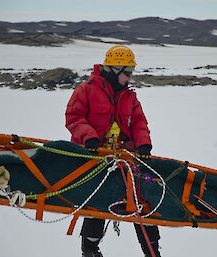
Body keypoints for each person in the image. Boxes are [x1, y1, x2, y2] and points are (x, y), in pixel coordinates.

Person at [65, 45, 161, 257]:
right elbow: (74, 118)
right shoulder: (86, 89)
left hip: (126, 158)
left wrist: (143, 143)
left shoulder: (130, 97)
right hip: (94, 157)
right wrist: (89, 136)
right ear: (116, 70)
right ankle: (89, 250)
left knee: (141, 203)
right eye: (128, 73)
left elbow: (139, 124)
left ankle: (153, 252)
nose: (130, 78)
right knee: (99, 201)